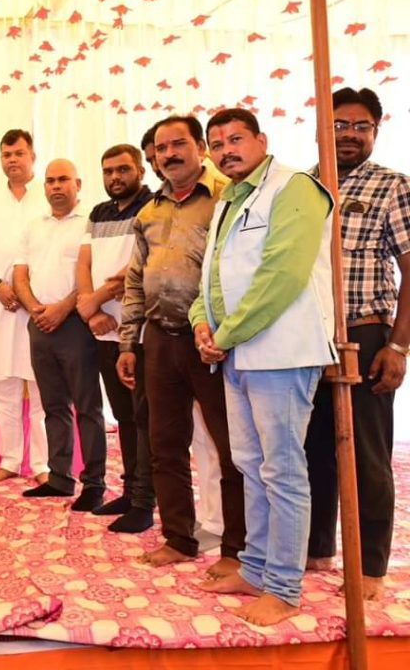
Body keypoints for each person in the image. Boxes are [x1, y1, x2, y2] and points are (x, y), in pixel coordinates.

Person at [191, 108, 333, 625]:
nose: (226, 150)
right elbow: (210, 278)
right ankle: (254, 569)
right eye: (217, 143)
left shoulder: (294, 187)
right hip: (237, 353)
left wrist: (224, 335)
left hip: (282, 352)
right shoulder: (229, 199)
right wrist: (201, 324)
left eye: (236, 139)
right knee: (250, 464)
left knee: (282, 470)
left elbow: (282, 275)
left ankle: (285, 587)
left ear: (261, 140)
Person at [116, 115, 246, 578]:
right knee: (165, 445)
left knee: (232, 449)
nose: (169, 154)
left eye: (179, 144)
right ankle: (178, 538)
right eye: (161, 148)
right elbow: (135, 280)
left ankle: (236, 549)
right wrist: (128, 342)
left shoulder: (228, 198)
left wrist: (221, 331)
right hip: (159, 340)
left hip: (212, 341)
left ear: (200, 148)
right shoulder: (149, 212)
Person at [305, 87, 410, 601]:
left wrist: (399, 346)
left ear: (376, 131)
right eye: (339, 125)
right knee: (312, 447)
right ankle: (317, 549)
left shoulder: (392, 185)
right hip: (307, 335)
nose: (349, 135)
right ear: (321, 129)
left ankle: (369, 566)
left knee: (366, 451)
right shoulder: (304, 186)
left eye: (360, 126)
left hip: (365, 333)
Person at [13, 159, 106, 509]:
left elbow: (93, 273)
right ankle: (60, 478)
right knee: (53, 405)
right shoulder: (33, 226)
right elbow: (20, 274)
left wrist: (63, 308)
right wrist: (36, 308)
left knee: (87, 406)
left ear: (77, 184)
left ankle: (94, 483)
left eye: (63, 179)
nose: (56, 186)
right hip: (39, 324)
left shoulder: (90, 223)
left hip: (76, 325)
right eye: (50, 180)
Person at [76, 144, 155, 532]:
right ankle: (130, 491)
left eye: (123, 169)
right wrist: (91, 312)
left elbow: (139, 265)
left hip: (140, 331)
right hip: (105, 331)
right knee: (123, 415)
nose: (115, 177)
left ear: (140, 170)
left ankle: (145, 501)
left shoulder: (153, 206)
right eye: (108, 171)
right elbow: (84, 263)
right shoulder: (98, 213)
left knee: (145, 417)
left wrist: (97, 298)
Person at [0, 128, 49, 484]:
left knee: (43, 387)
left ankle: (44, 465)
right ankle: (11, 460)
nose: (12, 160)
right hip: (2, 304)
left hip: (40, 305)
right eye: (6, 154)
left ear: (32, 155)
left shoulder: (47, 197)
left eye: (18, 153)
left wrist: (31, 293)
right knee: (4, 385)